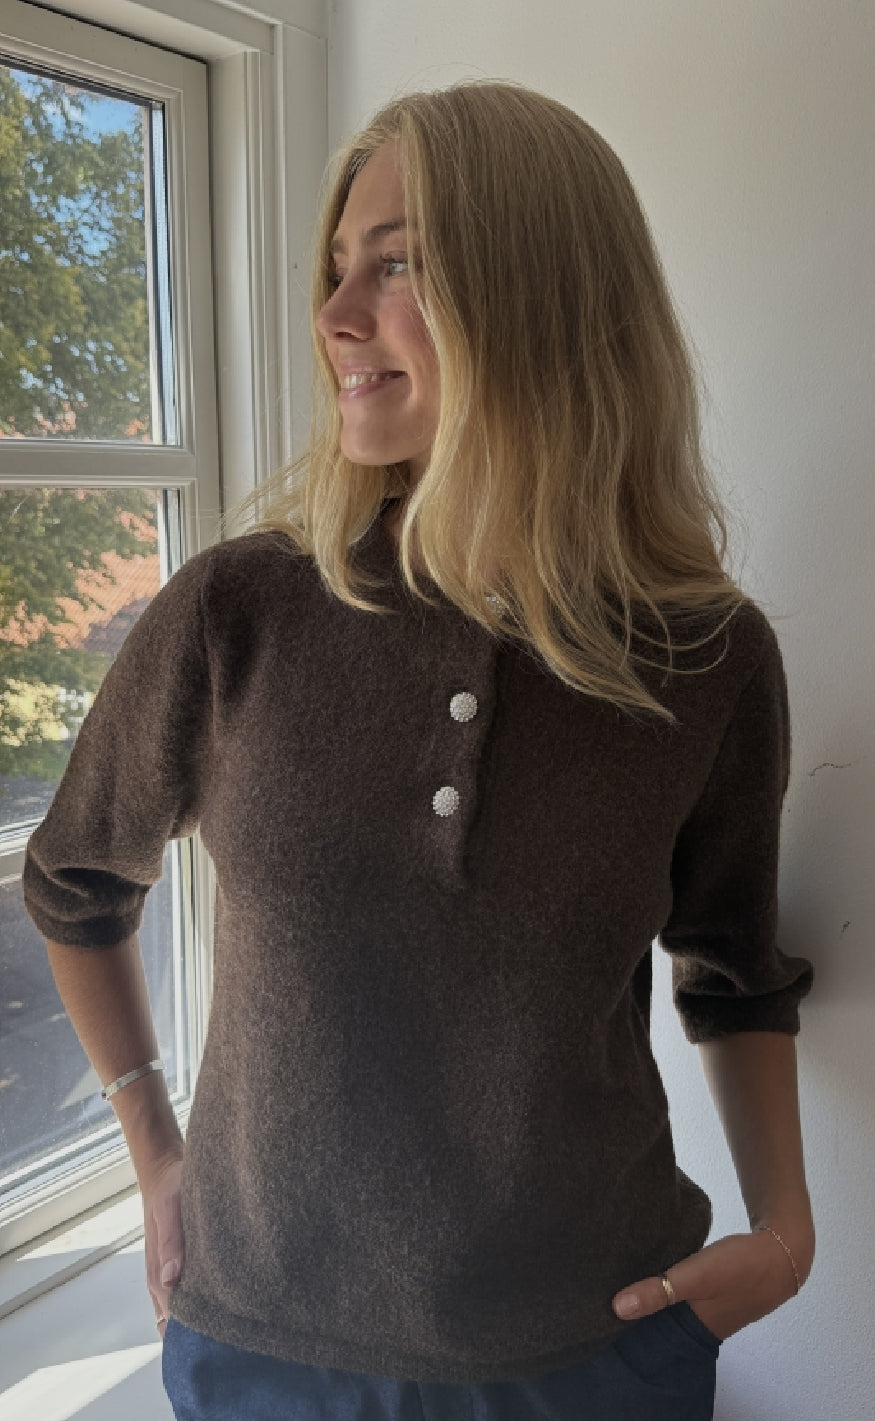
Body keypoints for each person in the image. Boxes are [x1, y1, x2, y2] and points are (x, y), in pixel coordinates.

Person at [22, 79, 815, 1421]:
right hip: (261, 1349)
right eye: (337, 268)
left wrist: (786, 1232)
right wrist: (154, 1145)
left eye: (395, 265)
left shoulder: (705, 657)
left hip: (596, 1352)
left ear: (540, 296)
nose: (336, 315)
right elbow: (73, 883)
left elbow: (735, 970)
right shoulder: (237, 611)